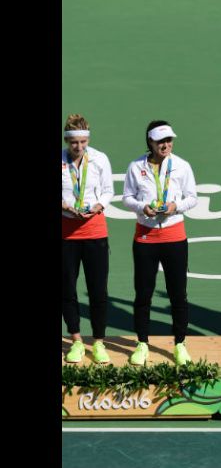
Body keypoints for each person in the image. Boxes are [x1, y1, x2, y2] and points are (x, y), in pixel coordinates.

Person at [122, 121, 198, 366]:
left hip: (175, 237)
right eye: (160, 141)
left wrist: (176, 206)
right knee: (143, 294)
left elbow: (192, 197)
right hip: (145, 237)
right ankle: (142, 344)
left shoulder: (182, 166)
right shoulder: (135, 167)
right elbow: (127, 198)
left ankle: (179, 344)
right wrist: (142, 207)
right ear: (150, 143)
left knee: (178, 294)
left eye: (169, 140)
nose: (166, 145)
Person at [62, 114, 114, 364]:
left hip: (95, 232)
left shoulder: (100, 159)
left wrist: (98, 206)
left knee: (97, 290)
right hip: (66, 234)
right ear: (66, 141)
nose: (79, 148)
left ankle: (99, 342)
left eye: (83, 142)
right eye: (74, 143)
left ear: (88, 140)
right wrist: (64, 206)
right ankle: (76, 342)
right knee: (66, 289)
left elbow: (108, 190)